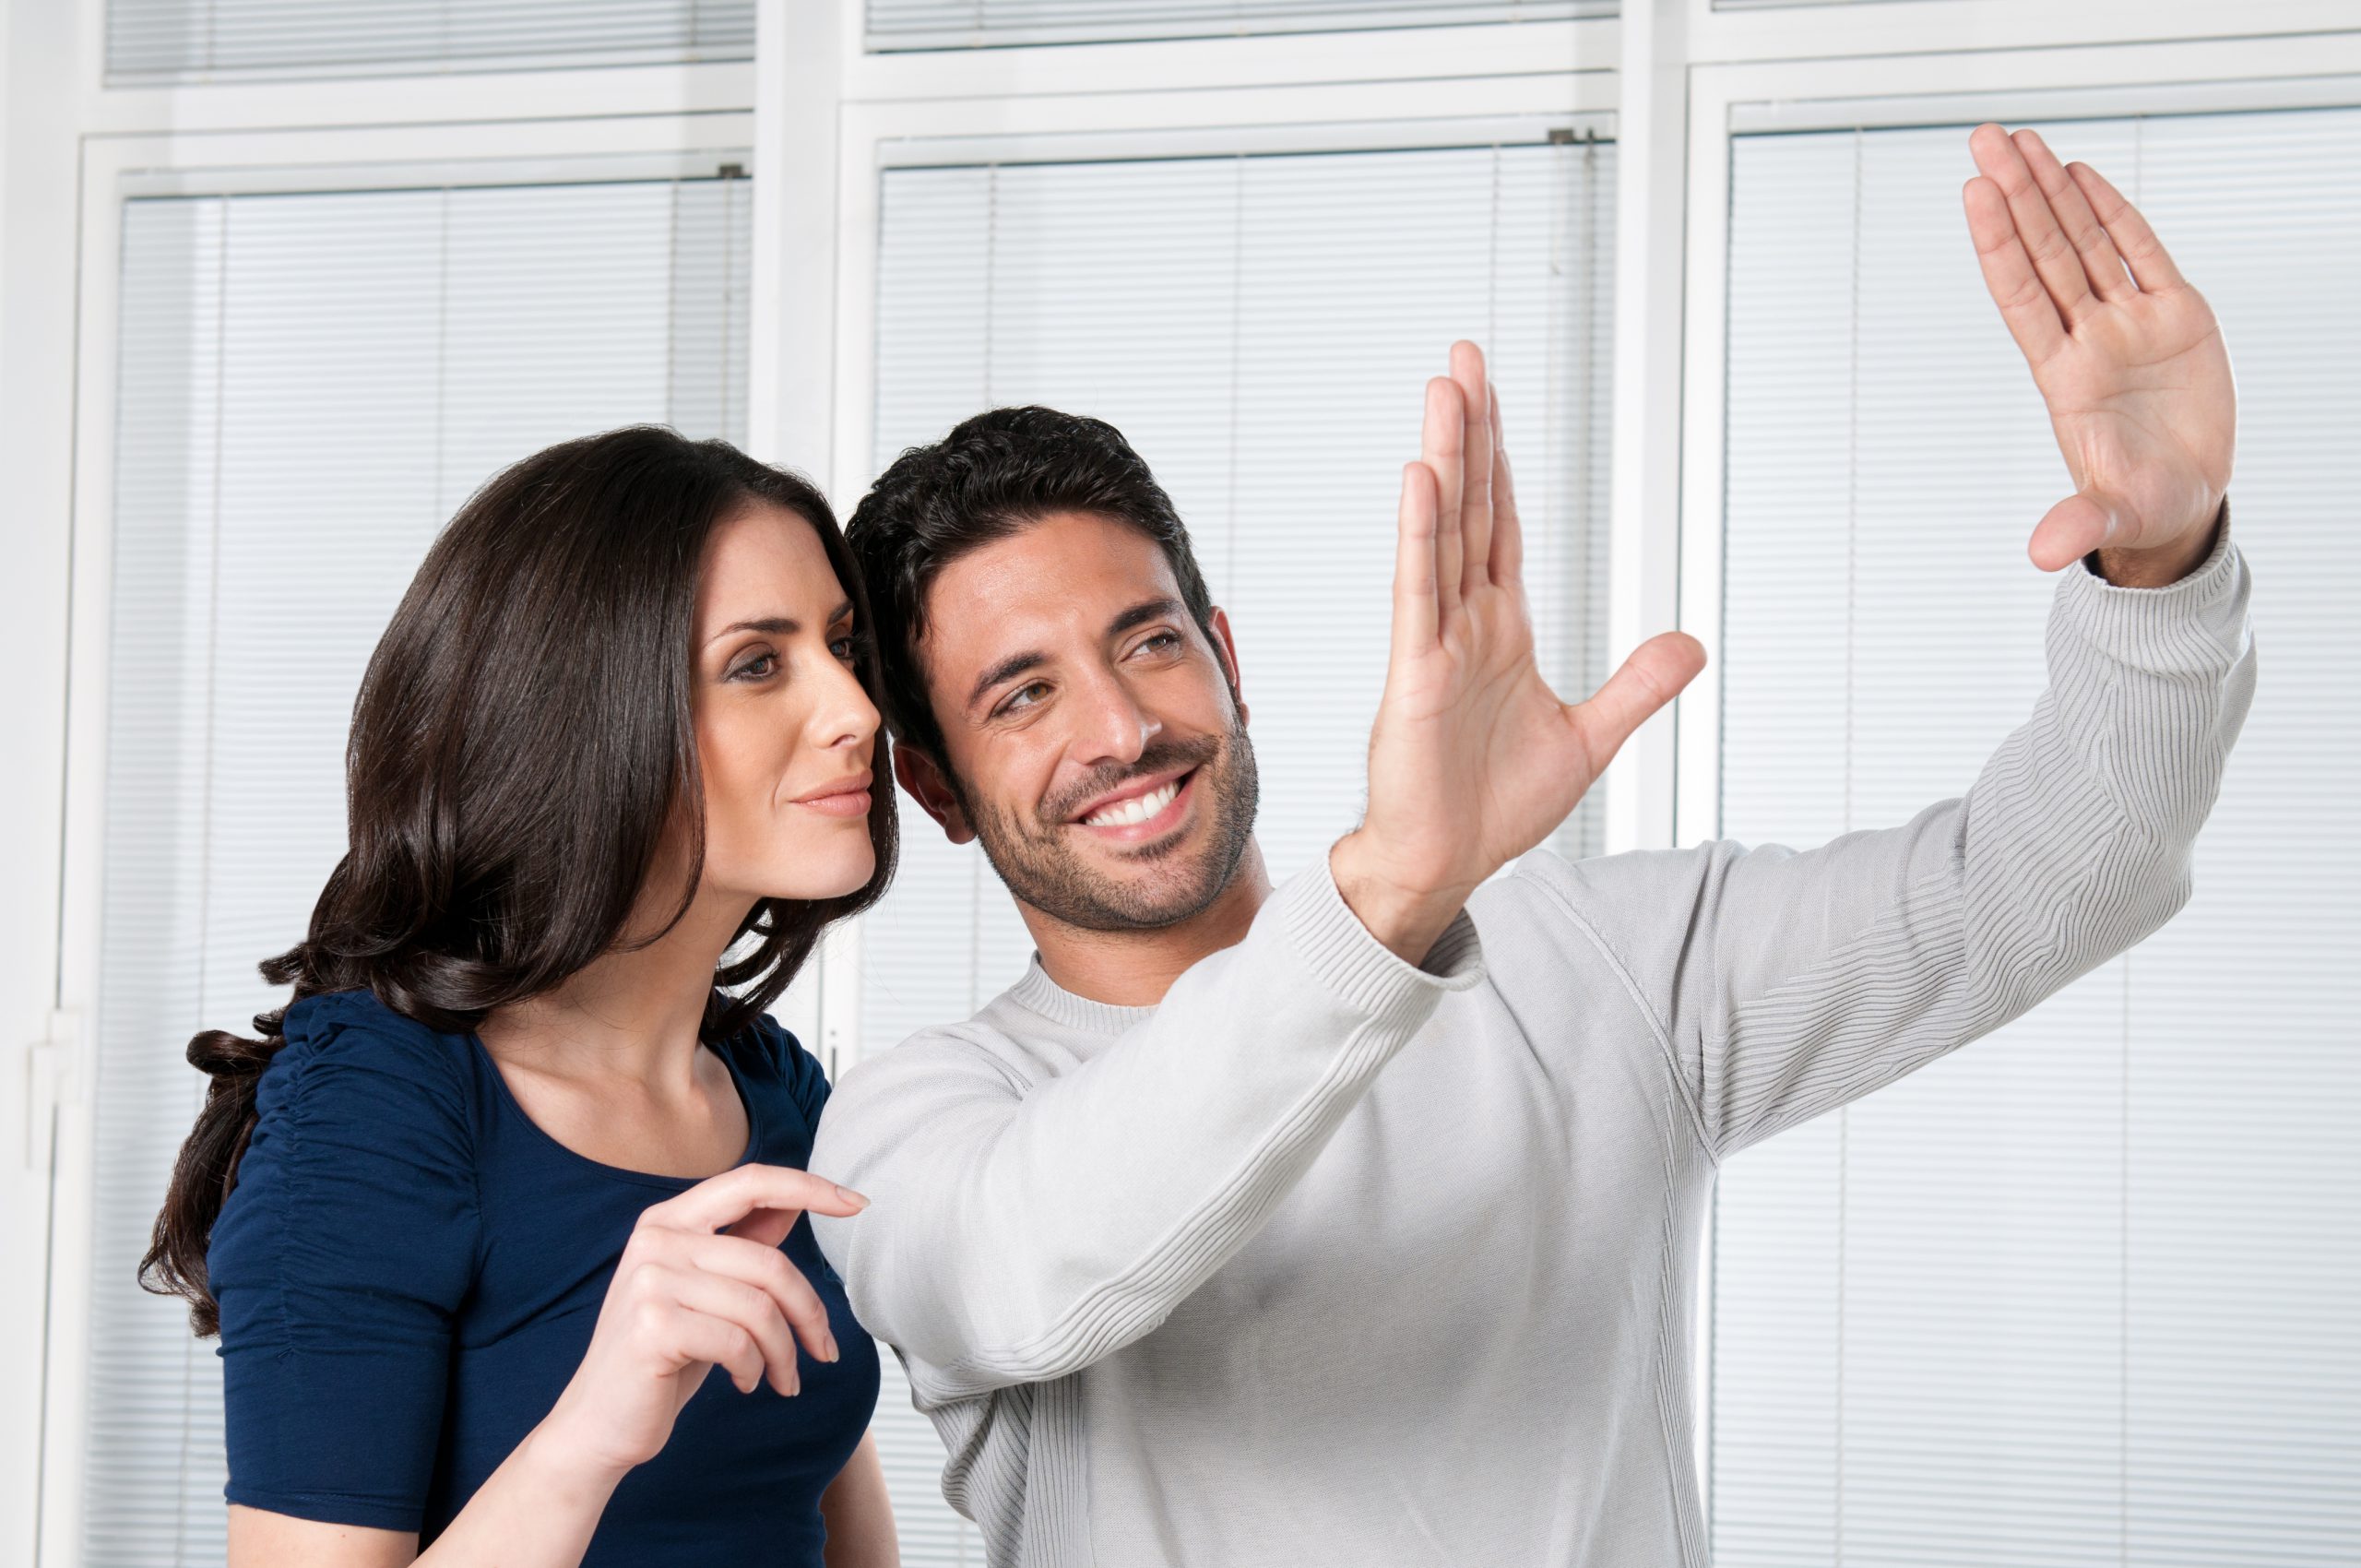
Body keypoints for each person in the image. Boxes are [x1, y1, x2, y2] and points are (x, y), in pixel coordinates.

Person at [809, 124, 2253, 1567]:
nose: (1120, 728)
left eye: (1149, 641)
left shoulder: (1601, 966)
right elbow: (1037, 1269)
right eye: (1025, 695)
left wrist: (2165, 562)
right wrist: (1394, 889)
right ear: (933, 787)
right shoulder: (914, 1125)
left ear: (1227, 657)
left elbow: (2066, 869)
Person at [143, 428, 903, 1567]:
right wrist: (593, 1430)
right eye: (758, 662)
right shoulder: (374, 1109)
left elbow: (820, 1519)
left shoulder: (772, 1086)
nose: (854, 708)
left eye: (843, 647)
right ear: (582, 712)